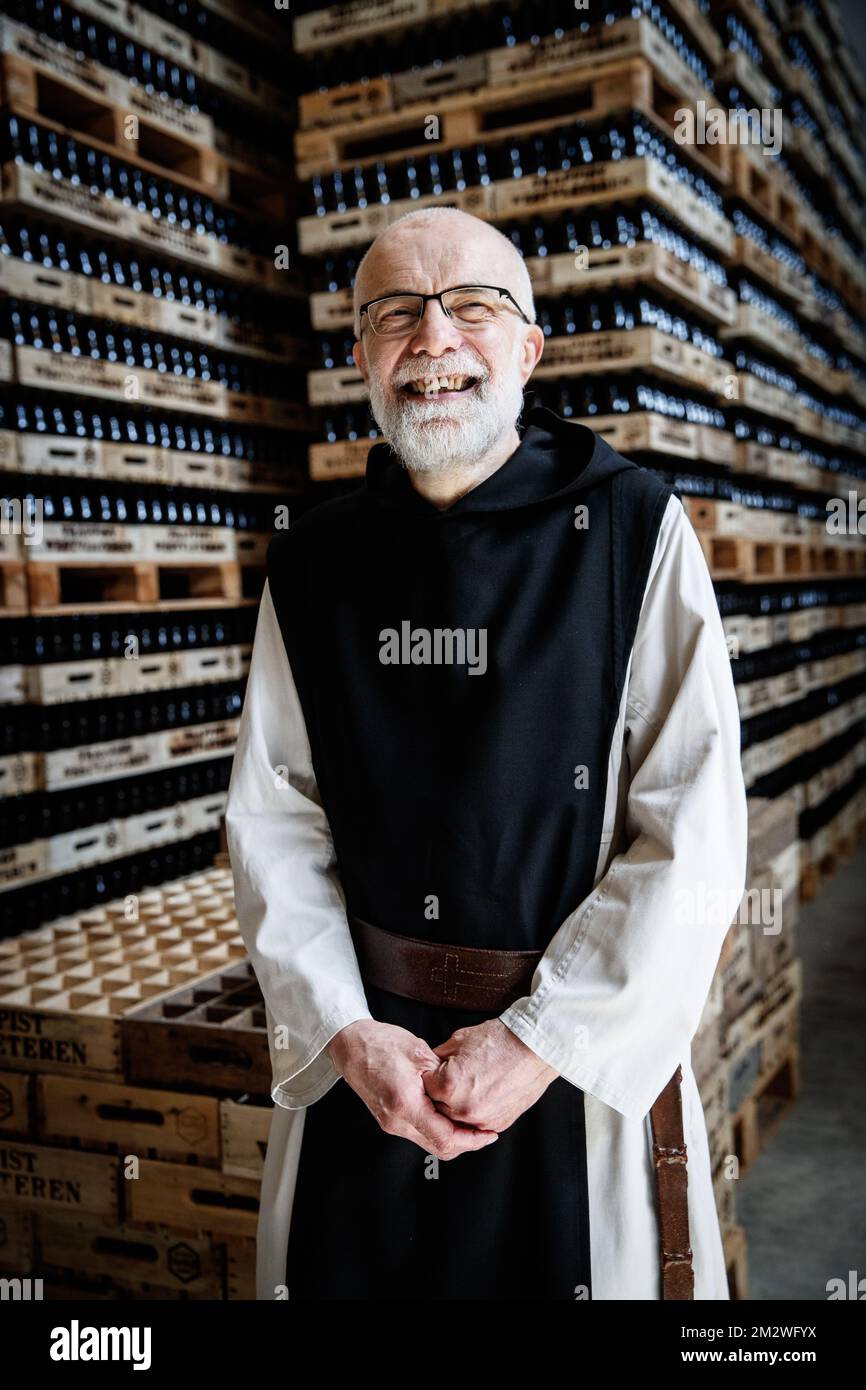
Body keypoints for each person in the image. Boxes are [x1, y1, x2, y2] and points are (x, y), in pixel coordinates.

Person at [224, 204, 748, 1300]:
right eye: (393, 314)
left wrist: (539, 1039)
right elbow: (277, 816)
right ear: (361, 354)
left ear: (526, 347)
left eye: (470, 307)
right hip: (372, 1068)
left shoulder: (632, 534)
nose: (433, 339)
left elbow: (690, 826)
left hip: (566, 1061)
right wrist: (345, 1033)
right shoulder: (314, 567)